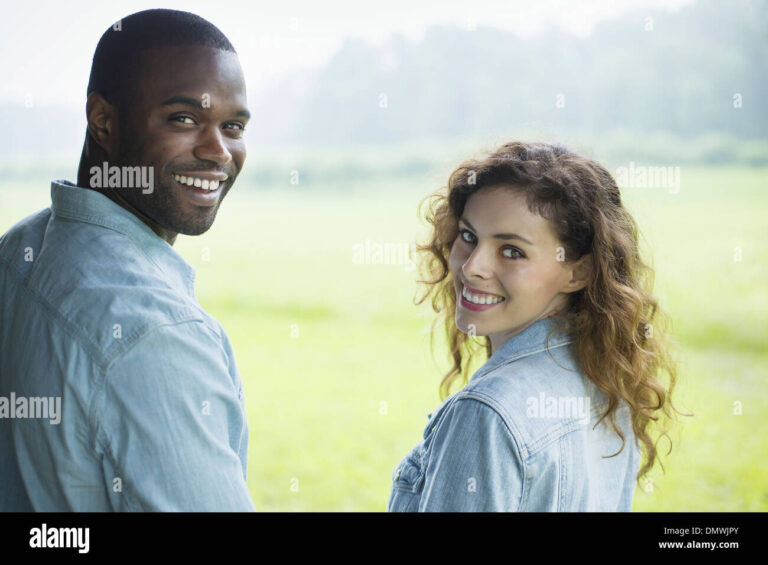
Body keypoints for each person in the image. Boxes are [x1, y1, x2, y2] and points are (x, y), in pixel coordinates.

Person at [0, 9, 255, 511]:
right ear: (103, 121)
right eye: (184, 119)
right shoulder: (156, 334)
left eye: (233, 126)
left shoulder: (16, 250)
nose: (219, 152)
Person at [388, 141, 684, 511]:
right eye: (469, 236)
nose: (472, 267)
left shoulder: (486, 412)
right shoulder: (605, 379)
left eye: (512, 251)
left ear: (579, 272)